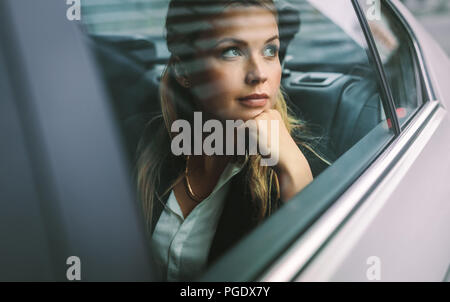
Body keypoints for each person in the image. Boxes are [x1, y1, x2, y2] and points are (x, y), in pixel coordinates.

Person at [129, 0, 331, 281]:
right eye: (232, 51)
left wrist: (295, 175)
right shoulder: (146, 146)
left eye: (270, 50)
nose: (259, 74)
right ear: (184, 71)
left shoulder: (311, 167)